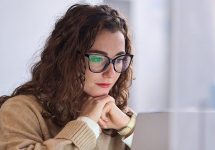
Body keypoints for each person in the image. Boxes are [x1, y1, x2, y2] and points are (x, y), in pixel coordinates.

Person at [0, 3, 136, 150]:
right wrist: (86, 124)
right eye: (97, 59)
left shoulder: (119, 115)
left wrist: (129, 127)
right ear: (67, 59)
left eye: (120, 59)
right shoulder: (18, 111)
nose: (111, 73)